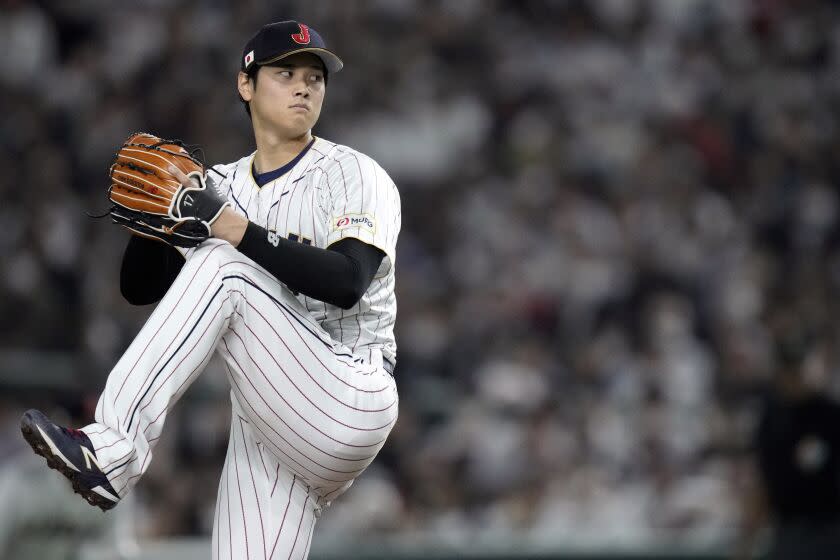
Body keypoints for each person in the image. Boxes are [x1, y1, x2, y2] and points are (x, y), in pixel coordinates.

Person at [20, 20, 401, 559]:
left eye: (315, 77)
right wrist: (156, 225)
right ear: (245, 86)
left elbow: (348, 282)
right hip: (268, 421)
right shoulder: (220, 185)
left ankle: (111, 449)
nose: (303, 86)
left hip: (349, 394)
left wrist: (226, 226)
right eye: (285, 73)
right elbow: (137, 288)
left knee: (225, 262)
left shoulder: (353, 173)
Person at [735, 336, 840, 560]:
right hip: (789, 531)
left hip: (831, 529)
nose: (795, 378)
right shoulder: (772, 420)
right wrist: (745, 544)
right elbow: (764, 484)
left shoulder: (830, 415)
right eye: (788, 371)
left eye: (799, 369)